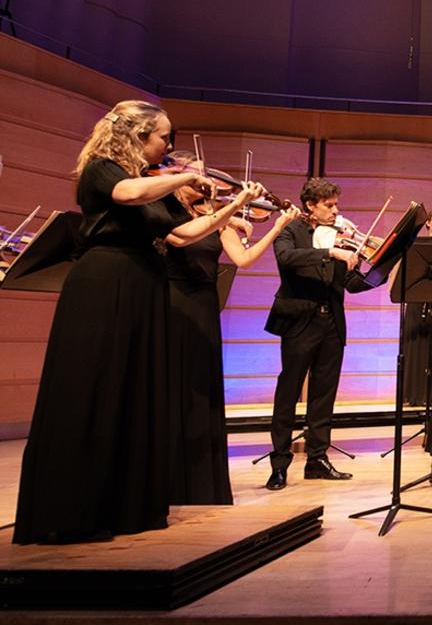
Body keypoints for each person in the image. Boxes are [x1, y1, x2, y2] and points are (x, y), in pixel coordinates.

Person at [13, 100, 232, 543]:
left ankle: (124, 506)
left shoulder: (150, 185)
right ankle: (74, 508)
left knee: (134, 390)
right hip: (105, 282)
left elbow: (185, 233)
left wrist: (231, 207)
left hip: (143, 287)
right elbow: (127, 195)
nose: (168, 145)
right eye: (164, 137)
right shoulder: (101, 169)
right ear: (137, 136)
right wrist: (188, 175)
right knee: (96, 385)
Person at [164, 151, 298, 505]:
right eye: (193, 175)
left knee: (200, 388)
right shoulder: (168, 212)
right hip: (172, 303)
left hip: (205, 305)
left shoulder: (216, 218)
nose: (204, 182)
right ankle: (165, 476)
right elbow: (182, 239)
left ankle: (196, 479)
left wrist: (277, 229)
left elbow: (243, 259)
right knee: (171, 386)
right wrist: (235, 205)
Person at [263, 178, 375, 491]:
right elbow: (286, 258)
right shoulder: (291, 230)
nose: (336, 211)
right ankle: (280, 463)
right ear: (311, 205)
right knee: (288, 391)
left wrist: (378, 273)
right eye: (329, 205)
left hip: (331, 325)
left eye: (336, 204)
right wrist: (330, 252)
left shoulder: (340, 237)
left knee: (324, 394)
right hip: (300, 322)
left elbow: (350, 283)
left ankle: (317, 459)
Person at [401, 208, 432, 408]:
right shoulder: (416, 245)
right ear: (428, 223)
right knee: (416, 346)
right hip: (417, 299)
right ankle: (414, 394)